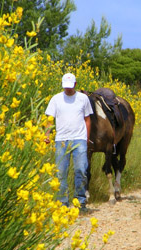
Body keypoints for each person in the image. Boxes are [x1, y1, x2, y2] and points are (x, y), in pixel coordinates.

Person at [44, 73, 93, 213]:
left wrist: (86, 139)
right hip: (61, 140)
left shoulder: (83, 99)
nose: (68, 90)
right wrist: (47, 135)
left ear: (75, 85)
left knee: (81, 170)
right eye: (66, 87)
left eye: (70, 87)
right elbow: (49, 120)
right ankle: (62, 203)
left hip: (79, 139)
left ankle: (80, 203)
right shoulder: (56, 99)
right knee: (61, 173)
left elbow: (87, 120)